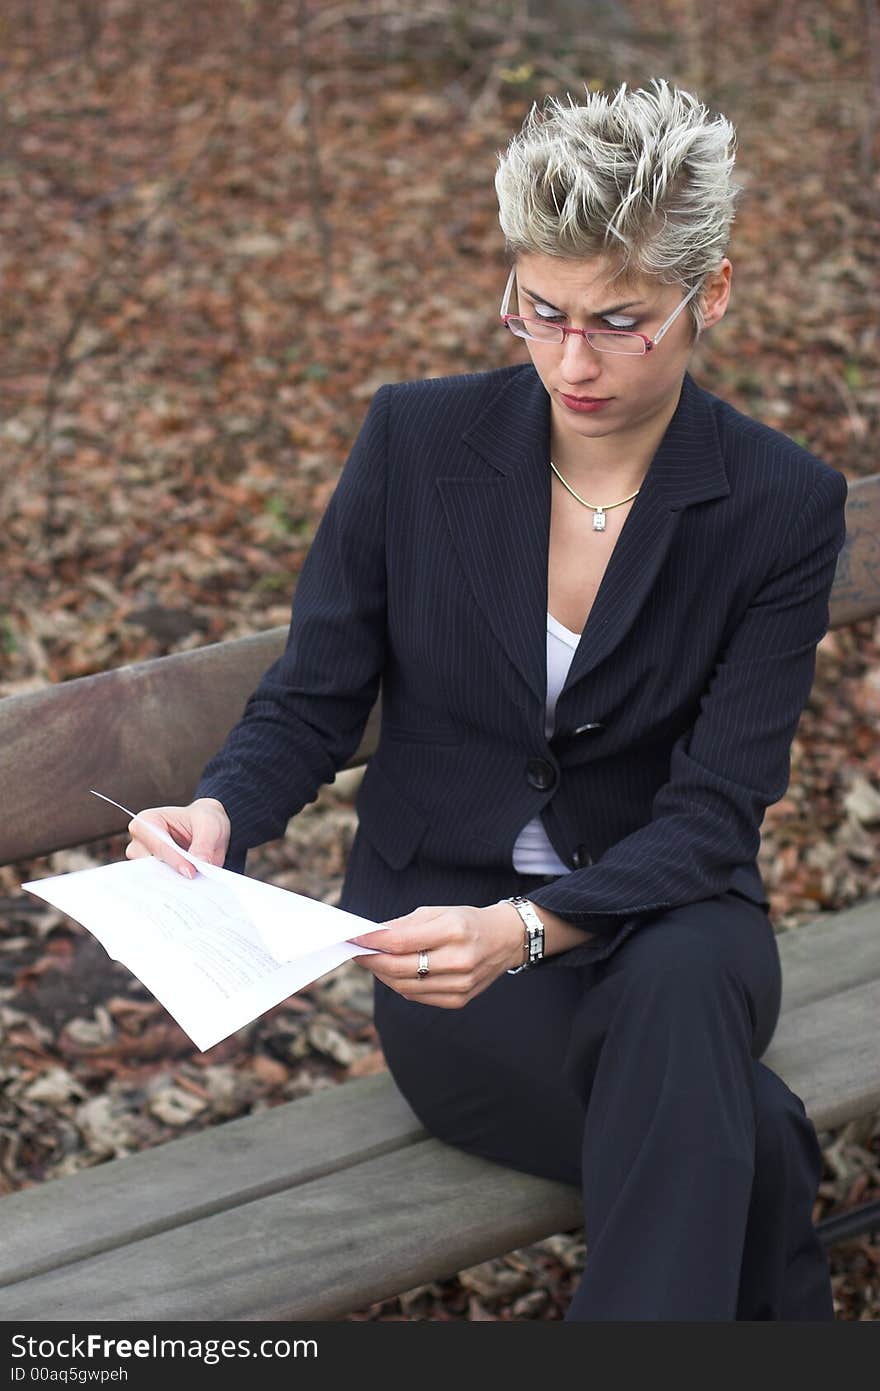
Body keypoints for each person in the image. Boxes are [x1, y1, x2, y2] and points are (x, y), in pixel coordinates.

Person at [125, 79, 847, 1321]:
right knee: (752, 1140)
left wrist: (527, 926)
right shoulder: (416, 442)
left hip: (670, 915)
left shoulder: (780, 502)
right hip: (436, 959)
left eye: (619, 321)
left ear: (709, 293)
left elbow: (717, 813)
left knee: (678, 996)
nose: (571, 359)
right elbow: (311, 696)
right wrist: (221, 812)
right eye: (540, 311)